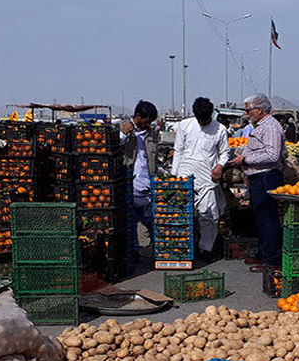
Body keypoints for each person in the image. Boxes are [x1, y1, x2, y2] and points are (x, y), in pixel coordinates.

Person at [230, 93, 286, 269]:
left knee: (268, 219)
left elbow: (272, 154)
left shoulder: (270, 127)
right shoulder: (260, 126)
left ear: (259, 109)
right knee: (261, 218)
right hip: (259, 177)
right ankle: (264, 254)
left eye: (248, 110)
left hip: (267, 177)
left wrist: (245, 161)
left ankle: (272, 259)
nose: (247, 114)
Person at [172, 97, 231, 258]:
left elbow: (225, 152)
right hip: (185, 177)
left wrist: (220, 165)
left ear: (211, 115)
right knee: (182, 214)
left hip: (207, 179)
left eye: (206, 120)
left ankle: (206, 248)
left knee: (209, 215)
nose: (203, 123)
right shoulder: (185, 125)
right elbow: (178, 151)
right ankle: (183, 248)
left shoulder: (220, 129)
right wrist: (174, 177)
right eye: (200, 120)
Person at [120, 100, 160, 241]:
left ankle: (150, 251)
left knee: (149, 222)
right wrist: (123, 135)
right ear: (138, 116)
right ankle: (134, 253)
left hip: (147, 186)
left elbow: (152, 159)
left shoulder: (151, 134)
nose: (148, 124)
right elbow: (112, 150)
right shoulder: (122, 128)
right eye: (146, 121)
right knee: (130, 224)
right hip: (129, 184)